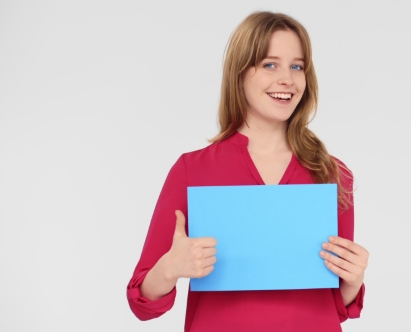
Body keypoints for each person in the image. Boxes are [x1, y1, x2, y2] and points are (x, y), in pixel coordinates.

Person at [126, 11, 369, 332]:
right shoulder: (191, 170)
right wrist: (170, 268)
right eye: (270, 64)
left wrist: (353, 279)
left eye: (297, 66)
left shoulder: (333, 173)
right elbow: (141, 302)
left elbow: (334, 304)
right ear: (239, 74)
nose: (287, 79)